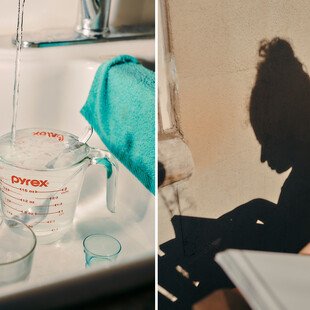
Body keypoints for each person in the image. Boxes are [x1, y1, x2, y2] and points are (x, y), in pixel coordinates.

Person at [219, 37, 310, 254]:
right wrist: (260, 207)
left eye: (267, 141)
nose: (263, 156)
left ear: (292, 127)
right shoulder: (301, 176)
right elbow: (295, 226)